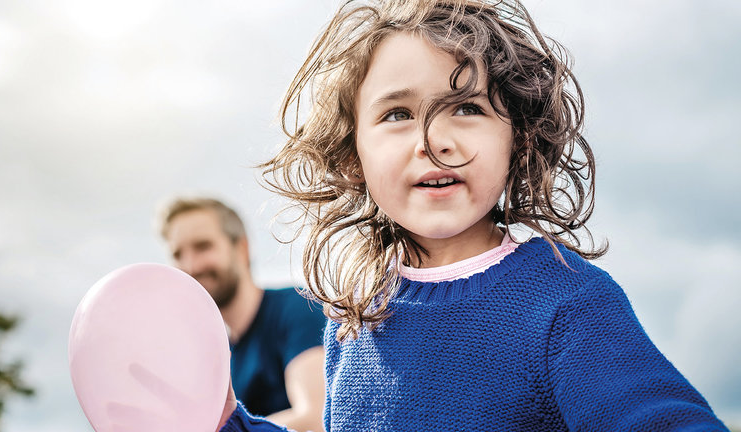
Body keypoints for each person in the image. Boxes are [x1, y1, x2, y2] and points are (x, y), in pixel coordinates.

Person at [217, 0, 731, 430]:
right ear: (353, 158)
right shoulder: (353, 317)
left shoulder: (569, 302)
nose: (433, 140)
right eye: (397, 114)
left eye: (467, 107)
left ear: (519, 139)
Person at [156, 197, 326, 432]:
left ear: (242, 248)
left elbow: (316, 419)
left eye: (203, 246)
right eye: (177, 254)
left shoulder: (297, 307)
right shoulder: (213, 356)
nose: (191, 266)